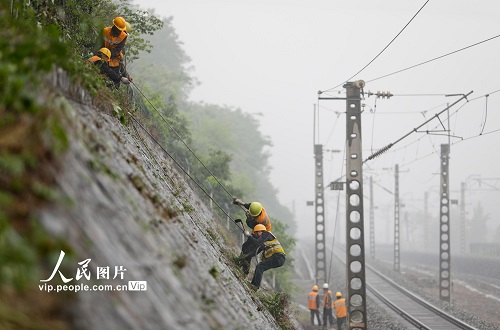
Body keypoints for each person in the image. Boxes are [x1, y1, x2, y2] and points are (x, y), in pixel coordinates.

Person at [239, 224, 285, 290]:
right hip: (278, 258)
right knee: (259, 267)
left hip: (278, 257)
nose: (256, 235)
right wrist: (246, 257)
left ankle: (255, 286)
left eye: (257, 233)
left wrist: (249, 235)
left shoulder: (266, 234)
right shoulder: (264, 241)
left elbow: (257, 242)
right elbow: (254, 252)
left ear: (260, 231)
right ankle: (253, 284)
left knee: (260, 267)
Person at [101, 17, 129, 82]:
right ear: (114, 27)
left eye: (120, 30)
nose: (119, 32)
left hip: (114, 59)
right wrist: (102, 55)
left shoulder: (123, 36)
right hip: (102, 55)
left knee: (114, 79)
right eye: (118, 30)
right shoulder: (105, 31)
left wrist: (107, 55)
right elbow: (99, 44)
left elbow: (117, 50)